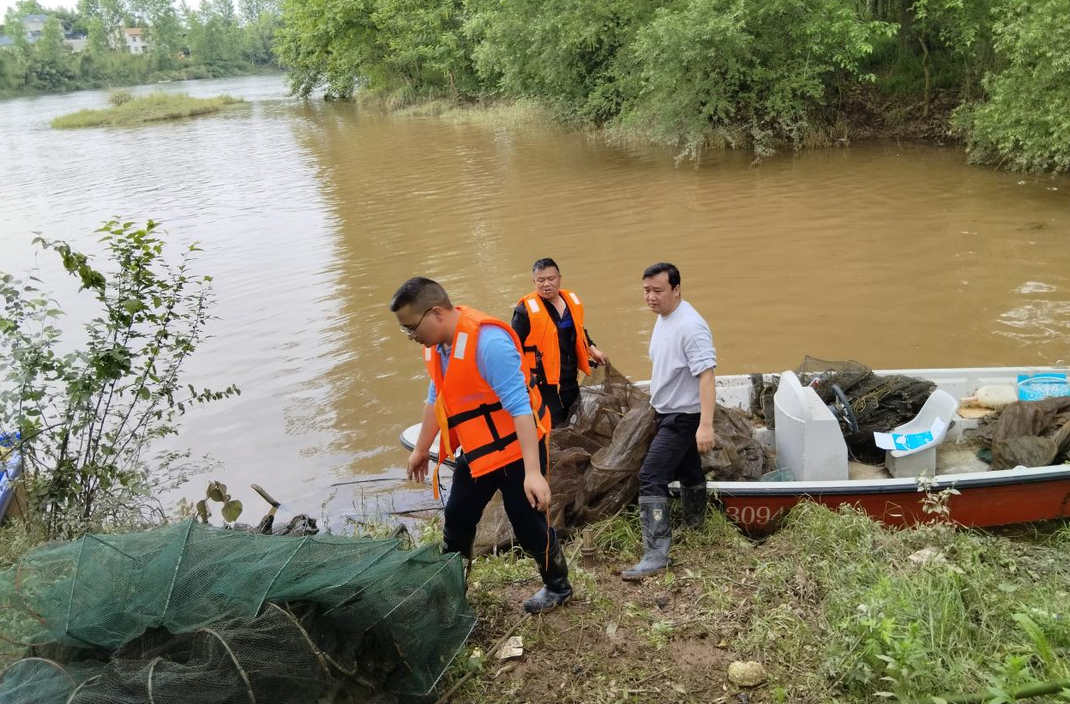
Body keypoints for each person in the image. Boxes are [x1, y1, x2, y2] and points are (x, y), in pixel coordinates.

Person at [391, 277, 572, 613]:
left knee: (527, 522)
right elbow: (436, 398)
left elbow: (521, 409)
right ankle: (453, 584)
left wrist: (533, 473)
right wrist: (421, 448)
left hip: (519, 450)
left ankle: (557, 585)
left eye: (411, 327)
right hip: (478, 452)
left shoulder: (488, 343)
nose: (411, 336)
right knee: (458, 516)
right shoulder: (438, 348)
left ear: (436, 314)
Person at [622, 263, 717, 581]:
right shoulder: (665, 318)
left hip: (683, 418)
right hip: (667, 412)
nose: (651, 297)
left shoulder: (690, 326)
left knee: (651, 476)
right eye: (646, 290)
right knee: (689, 470)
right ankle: (696, 524)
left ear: (677, 289)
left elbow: (707, 376)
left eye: (658, 291)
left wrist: (705, 425)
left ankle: (656, 554)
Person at [511, 258, 608, 426]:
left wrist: (593, 350)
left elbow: (579, 331)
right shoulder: (524, 311)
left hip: (569, 375)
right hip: (544, 381)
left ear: (559, 279)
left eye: (551, 279)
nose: (546, 284)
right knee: (554, 424)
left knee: (575, 419)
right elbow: (513, 347)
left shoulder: (571, 301)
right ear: (534, 282)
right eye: (541, 280)